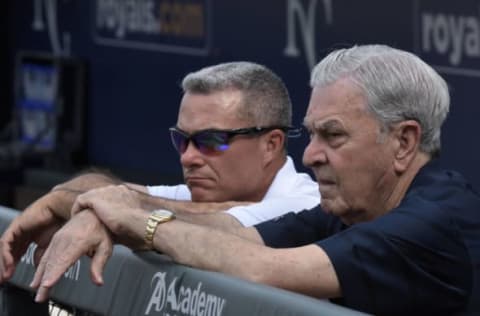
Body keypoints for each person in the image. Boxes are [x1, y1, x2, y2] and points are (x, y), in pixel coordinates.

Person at [6, 44, 480, 315]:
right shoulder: (348, 210)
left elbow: (261, 271)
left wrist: (134, 221)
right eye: (312, 135)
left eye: (332, 136)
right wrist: (106, 210)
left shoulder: (433, 221)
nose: (311, 155)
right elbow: (236, 235)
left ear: (403, 142)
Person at [0, 62, 319, 287]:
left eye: (210, 141)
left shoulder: (306, 205)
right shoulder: (199, 197)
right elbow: (97, 188)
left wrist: (102, 210)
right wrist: (85, 206)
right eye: (182, 139)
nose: (188, 157)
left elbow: (215, 225)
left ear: (271, 144)